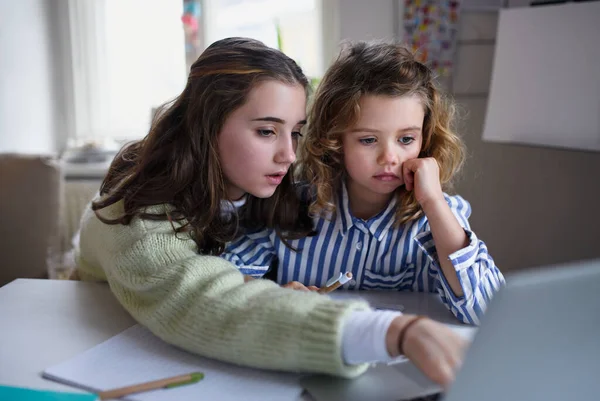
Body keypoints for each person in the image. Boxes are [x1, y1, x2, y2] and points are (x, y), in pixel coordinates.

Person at [76, 37, 465, 387]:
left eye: (295, 132)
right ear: (206, 126)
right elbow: (203, 299)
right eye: (266, 131)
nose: (289, 154)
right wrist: (391, 331)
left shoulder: (265, 186)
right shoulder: (139, 213)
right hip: (91, 346)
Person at [224, 41, 505, 325]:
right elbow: (223, 283)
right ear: (335, 141)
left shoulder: (438, 217)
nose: (389, 158)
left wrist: (433, 203)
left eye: (406, 139)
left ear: (425, 138)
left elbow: (488, 311)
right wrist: (273, 296)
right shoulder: (288, 207)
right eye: (368, 140)